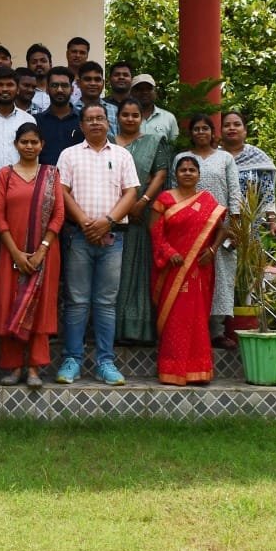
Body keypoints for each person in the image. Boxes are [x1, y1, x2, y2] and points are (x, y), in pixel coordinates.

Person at [54, 102, 140, 386]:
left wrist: (108, 221)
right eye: (89, 119)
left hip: (113, 237)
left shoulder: (122, 154)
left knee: (106, 303)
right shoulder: (69, 154)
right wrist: (85, 223)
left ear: (108, 122)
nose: (95, 123)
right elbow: (61, 192)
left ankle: (106, 362)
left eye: (100, 118)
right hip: (78, 236)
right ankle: (72, 360)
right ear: (81, 125)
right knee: (77, 301)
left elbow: (131, 192)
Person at [0, 122, 65, 386]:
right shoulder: (5, 175)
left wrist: (41, 250)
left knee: (40, 305)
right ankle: (13, 367)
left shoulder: (51, 174)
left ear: (42, 145)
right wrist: (15, 253)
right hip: (11, 252)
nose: (29, 146)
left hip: (45, 253)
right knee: (11, 302)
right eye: (24, 142)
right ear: (16, 145)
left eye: (34, 142)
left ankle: (34, 368)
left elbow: (59, 215)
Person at [151, 154, 227, 385]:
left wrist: (212, 250)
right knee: (175, 319)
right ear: (176, 174)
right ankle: (172, 370)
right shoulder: (165, 199)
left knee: (197, 319)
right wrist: (168, 252)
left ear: (198, 175)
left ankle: (198, 369)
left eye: (192, 170)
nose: (187, 173)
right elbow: (154, 229)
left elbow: (223, 229)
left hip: (199, 270)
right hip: (173, 268)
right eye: (183, 170)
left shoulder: (207, 201)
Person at [114, 98, 175, 345]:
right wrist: (122, 207)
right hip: (113, 215)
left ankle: (139, 329)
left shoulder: (154, 141)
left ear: (142, 118)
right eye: (125, 114)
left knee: (140, 268)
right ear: (117, 117)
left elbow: (161, 173)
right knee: (114, 271)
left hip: (143, 214)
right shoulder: (108, 143)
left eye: (135, 115)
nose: (130, 119)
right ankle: (113, 330)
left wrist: (143, 201)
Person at [187, 112, 241, 348]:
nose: (201, 132)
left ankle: (216, 332)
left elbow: (234, 191)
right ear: (191, 133)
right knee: (192, 276)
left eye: (205, 128)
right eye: (196, 129)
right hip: (190, 225)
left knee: (221, 276)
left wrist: (235, 226)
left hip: (221, 226)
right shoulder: (183, 158)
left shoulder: (225, 158)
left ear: (212, 133)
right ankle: (193, 329)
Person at [222, 110, 276, 237]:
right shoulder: (215, 157)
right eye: (226, 125)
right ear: (220, 131)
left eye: (237, 124)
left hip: (248, 226)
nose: (232, 128)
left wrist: (272, 222)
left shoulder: (256, 156)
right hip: (218, 225)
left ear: (245, 130)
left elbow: (268, 194)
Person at [34, 69, 82, 165]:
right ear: (47, 90)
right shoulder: (36, 121)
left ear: (72, 90)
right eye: (54, 85)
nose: (59, 90)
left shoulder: (83, 120)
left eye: (64, 85)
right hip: (44, 173)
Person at [130, 74, 179, 146]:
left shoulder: (169, 118)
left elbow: (174, 146)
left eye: (149, 89)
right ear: (132, 93)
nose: (145, 92)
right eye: (140, 89)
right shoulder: (126, 118)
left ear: (155, 92)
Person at [76, 61, 119, 137]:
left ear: (103, 83)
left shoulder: (115, 111)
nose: (93, 83)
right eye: (87, 79)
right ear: (78, 83)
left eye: (97, 79)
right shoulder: (72, 111)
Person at [24, 45, 52, 114]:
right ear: (28, 66)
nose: (39, 64)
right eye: (34, 62)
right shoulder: (23, 92)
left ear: (50, 65)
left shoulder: (58, 90)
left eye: (43, 61)